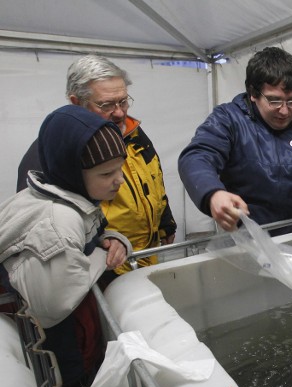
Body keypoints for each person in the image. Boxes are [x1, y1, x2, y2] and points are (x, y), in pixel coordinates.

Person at [0, 105, 132, 387]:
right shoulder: (59, 220)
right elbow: (53, 306)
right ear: (73, 172)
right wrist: (103, 255)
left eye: (120, 169)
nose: (119, 180)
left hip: (73, 341)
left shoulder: (57, 191)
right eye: (107, 174)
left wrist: (112, 238)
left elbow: (90, 236)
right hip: (65, 355)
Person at [16, 54, 176, 281]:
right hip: (107, 267)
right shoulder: (52, 153)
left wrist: (165, 223)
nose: (120, 112)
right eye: (106, 105)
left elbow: (152, 178)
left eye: (123, 101)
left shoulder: (134, 132)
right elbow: (43, 227)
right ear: (76, 102)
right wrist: (100, 241)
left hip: (145, 256)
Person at [178, 46, 292, 236]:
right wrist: (213, 193)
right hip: (245, 238)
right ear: (253, 94)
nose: (284, 111)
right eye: (274, 101)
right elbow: (197, 157)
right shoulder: (228, 120)